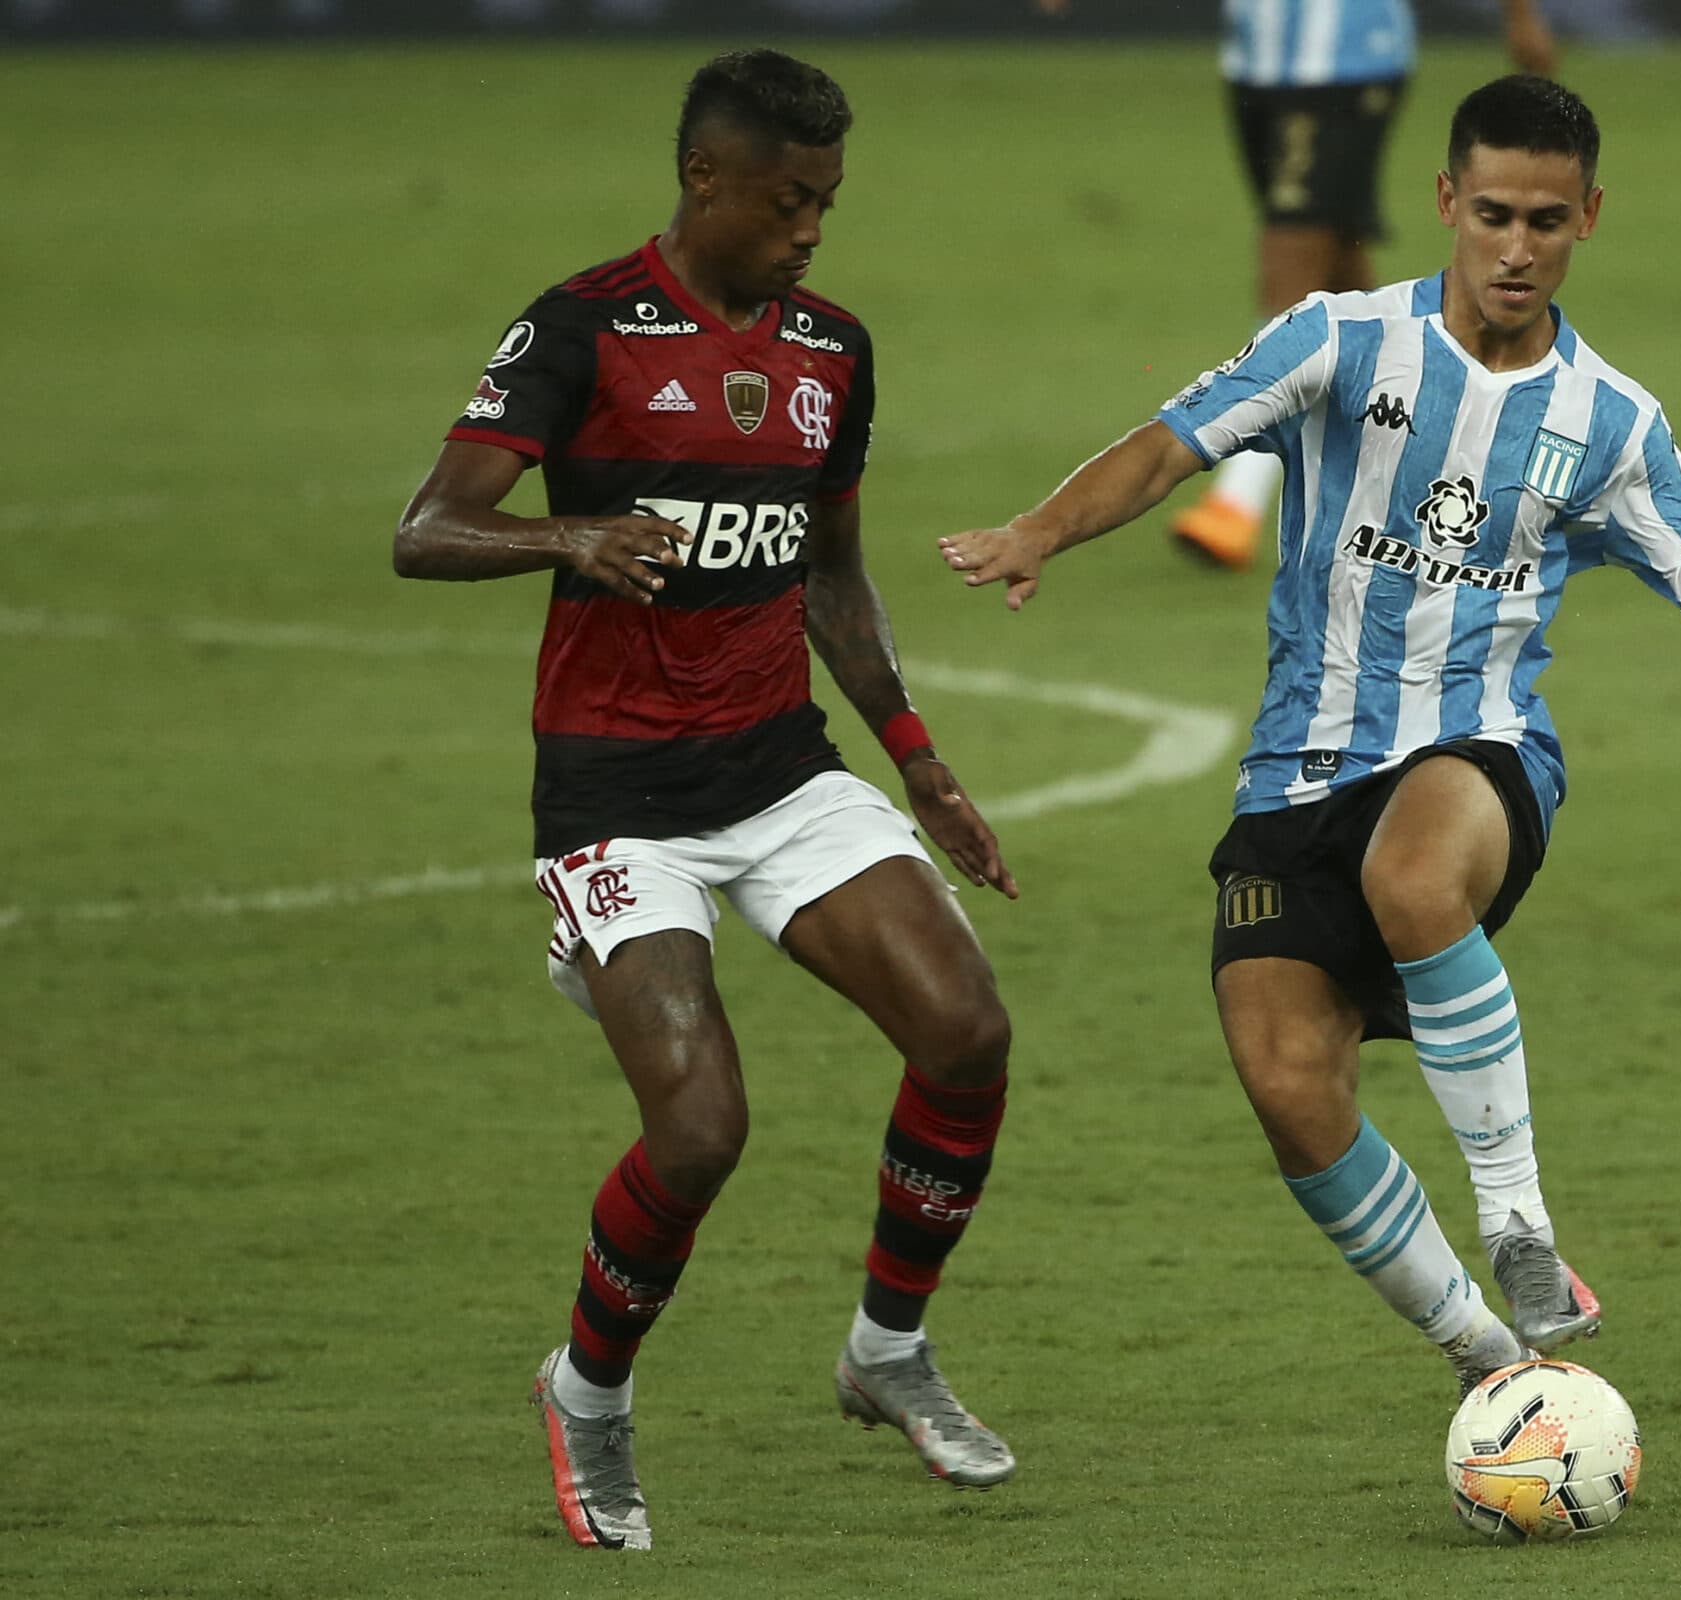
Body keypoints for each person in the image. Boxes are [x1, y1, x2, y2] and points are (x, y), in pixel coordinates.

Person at [939, 76, 1681, 1399]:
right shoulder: (1339, 340)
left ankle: (1519, 1223)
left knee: (1412, 875)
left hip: (1478, 754)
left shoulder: (1612, 422)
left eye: (1548, 222)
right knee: (1290, 1087)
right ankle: (1492, 1358)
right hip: (1296, 773)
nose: (1518, 248)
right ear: (1448, 202)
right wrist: (1039, 531)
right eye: (1496, 215)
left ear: (1590, 218)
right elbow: (1170, 447)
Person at [394, 49, 1021, 1550]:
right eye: (789, 200)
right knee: (698, 1128)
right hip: (613, 794)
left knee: (967, 1031)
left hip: (778, 766)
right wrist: (567, 538)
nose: (812, 229)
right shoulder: (581, 327)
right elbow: (427, 529)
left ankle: (886, 1350)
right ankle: (587, 1394)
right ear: (704, 177)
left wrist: (917, 757)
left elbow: (832, 573)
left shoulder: (831, 350)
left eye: (828, 202)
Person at [1169, 0, 1558, 571]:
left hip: (1345, 58)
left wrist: (1519, 16)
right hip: (1256, 55)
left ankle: (1236, 501)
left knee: (1292, 256)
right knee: (1339, 267)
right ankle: (1427, 446)